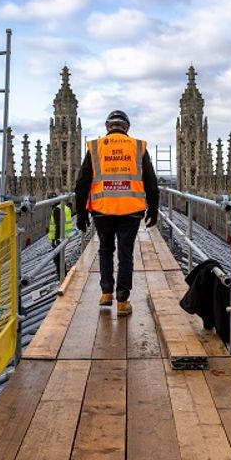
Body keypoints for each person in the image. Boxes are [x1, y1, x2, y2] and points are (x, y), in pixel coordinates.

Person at [74, 109, 159, 316]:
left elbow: (82, 183)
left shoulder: (95, 148)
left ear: (107, 127)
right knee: (125, 253)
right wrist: (154, 209)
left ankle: (105, 292)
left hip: (102, 210)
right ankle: (122, 300)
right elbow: (150, 181)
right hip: (131, 210)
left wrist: (81, 213)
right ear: (127, 128)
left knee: (105, 249)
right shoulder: (137, 147)